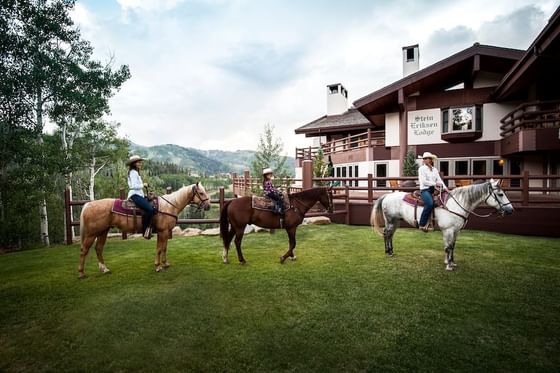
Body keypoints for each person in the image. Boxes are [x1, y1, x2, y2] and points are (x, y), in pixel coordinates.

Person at [417, 151, 448, 232]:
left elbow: (439, 180)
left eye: (427, 158)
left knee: (445, 200)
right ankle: (422, 224)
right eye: (424, 158)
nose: (425, 160)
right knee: (430, 203)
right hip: (425, 190)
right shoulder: (421, 169)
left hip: (433, 190)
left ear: (431, 160)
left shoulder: (434, 169)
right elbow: (423, 181)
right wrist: (435, 184)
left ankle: (439, 221)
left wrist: (445, 188)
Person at [127, 155, 156, 239]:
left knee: (153, 208)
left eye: (140, 162)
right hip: (134, 195)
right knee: (150, 209)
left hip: (138, 194)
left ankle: (151, 228)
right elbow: (133, 186)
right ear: (134, 163)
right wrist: (143, 185)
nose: (140, 163)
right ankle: (144, 231)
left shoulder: (135, 172)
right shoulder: (133, 173)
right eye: (138, 162)